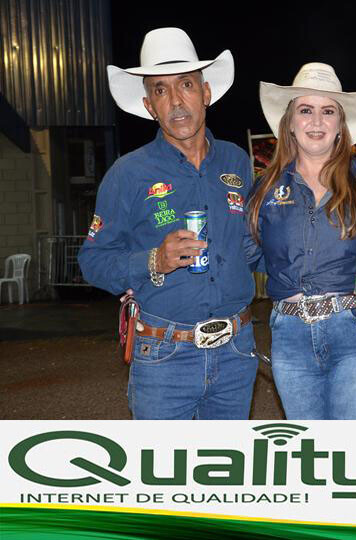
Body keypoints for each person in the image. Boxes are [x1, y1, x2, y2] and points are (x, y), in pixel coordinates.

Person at [78, 28, 258, 420]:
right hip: (164, 355)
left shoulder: (237, 162)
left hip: (236, 351)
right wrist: (152, 261)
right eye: (160, 90)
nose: (176, 101)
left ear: (205, 93)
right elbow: (93, 261)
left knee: (226, 462)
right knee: (162, 461)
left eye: (186, 85)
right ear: (149, 105)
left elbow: (254, 246)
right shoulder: (128, 173)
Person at [245, 63, 356, 419]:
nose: (317, 121)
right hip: (289, 337)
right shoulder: (264, 190)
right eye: (306, 110)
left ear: (340, 125)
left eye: (328, 111)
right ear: (290, 122)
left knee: (348, 447)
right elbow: (246, 254)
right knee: (312, 450)